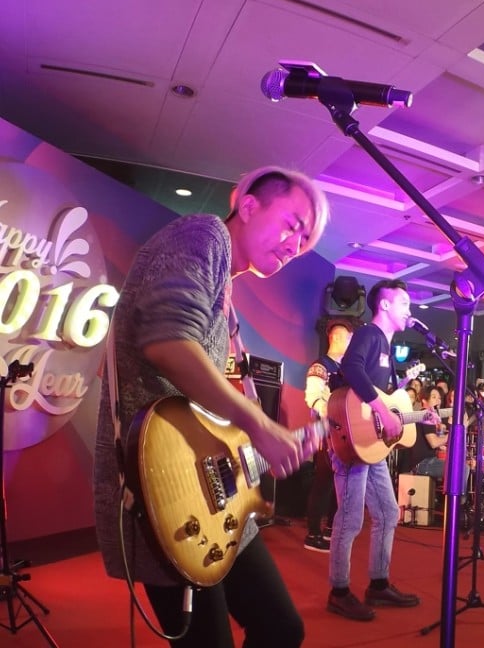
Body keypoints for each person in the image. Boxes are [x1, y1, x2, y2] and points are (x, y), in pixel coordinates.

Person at [93, 166, 329, 648]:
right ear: (249, 205)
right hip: (167, 491)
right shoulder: (203, 234)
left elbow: (207, 405)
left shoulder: (227, 296)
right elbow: (169, 343)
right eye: (292, 225)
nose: (295, 245)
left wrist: (273, 442)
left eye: (305, 240)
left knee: (281, 627)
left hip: (211, 498)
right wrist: (258, 424)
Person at [327, 279, 422, 621]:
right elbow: (350, 369)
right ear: (384, 305)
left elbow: (382, 394)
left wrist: (405, 398)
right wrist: (382, 411)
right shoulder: (369, 334)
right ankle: (338, 592)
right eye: (404, 303)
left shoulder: (385, 346)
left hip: (373, 446)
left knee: (387, 513)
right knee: (350, 519)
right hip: (353, 443)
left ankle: (378, 585)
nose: (409, 311)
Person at [303, 319, 356, 552]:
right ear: (336, 338)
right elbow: (312, 398)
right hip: (326, 432)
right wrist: (330, 415)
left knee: (341, 482)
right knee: (323, 481)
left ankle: (331, 530)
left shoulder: (347, 368)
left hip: (344, 432)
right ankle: (313, 532)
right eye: (348, 339)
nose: (351, 343)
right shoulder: (320, 365)